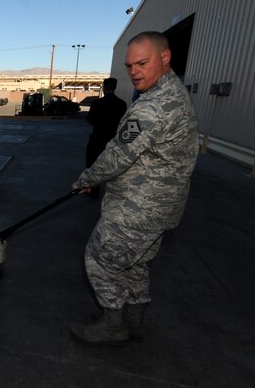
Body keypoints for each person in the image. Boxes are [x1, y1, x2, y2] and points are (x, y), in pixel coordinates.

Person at [70, 31, 199, 346]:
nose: (134, 71)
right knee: (134, 262)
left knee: (100, 257)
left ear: (165, 57)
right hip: (162, 205)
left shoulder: (151, 108)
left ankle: (113, 323)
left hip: (140, 206)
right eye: (129, 65)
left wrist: (86, 179)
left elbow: (116, 156)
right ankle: (134, 321)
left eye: (142, 63)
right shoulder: (174, 92)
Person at [85, 78, 127, 197]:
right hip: (113, 140)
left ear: (104, 87)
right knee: (112, 168)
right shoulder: (121, 104)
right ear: (115, 87)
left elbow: (90, 120)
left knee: (92, 165)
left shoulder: (97, 103)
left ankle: (93, 190)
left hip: (97, 139)